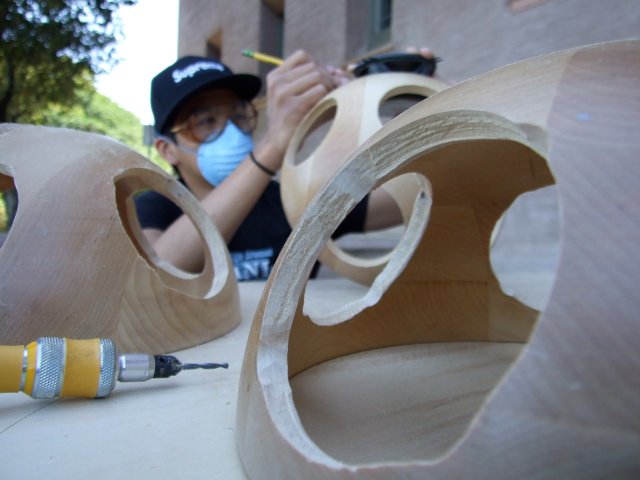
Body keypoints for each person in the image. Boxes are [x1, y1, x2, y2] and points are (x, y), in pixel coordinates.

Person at [135, 50, 403, 281]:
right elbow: (159, 271)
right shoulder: (155, 207)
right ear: (167, 150)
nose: (232, 132)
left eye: (239, 115)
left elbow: (412, 198)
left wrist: (418, 102)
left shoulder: (294, 201)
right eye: (205, 122)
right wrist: (273, 145)